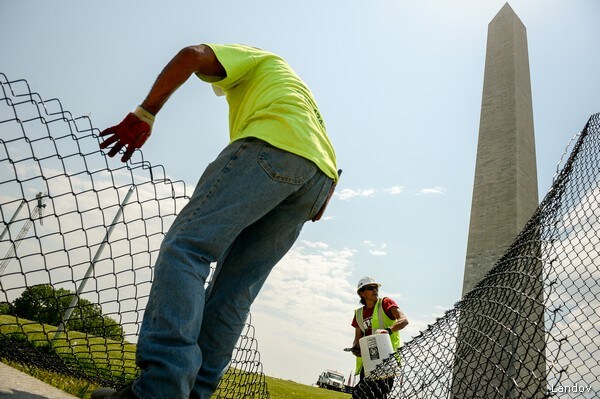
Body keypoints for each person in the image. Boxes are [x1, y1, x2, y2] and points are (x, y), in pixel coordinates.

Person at [91, 44, 338, 399]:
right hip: (318, 176)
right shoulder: (295, 93)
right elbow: (318, 146)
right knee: (235, 291)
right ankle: (195, 393)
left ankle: (161, 389)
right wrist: (319, 193)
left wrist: (145, 113)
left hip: (273, 148)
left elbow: (192, 54)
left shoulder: (260, 60)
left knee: (187, 249)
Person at [350, 276, 408, 399]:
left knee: (375, 395)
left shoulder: (385, 303)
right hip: (368, 361)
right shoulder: (358, 314)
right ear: (361, 293)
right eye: (371, 288)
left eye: (376, 287)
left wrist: (388, 330)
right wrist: (356, 349)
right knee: (361, 394)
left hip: (387, 360)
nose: (375, 290)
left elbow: (404, 320)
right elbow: (357, 339)